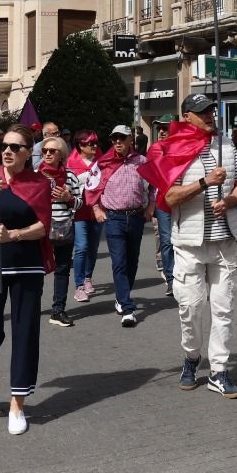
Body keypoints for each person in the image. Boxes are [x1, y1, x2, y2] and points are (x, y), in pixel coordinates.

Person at [144, 94, 237, 398]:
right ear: (187, 116)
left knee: (223, 308)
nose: (209, 116)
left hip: (225, 241)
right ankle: (191, 357)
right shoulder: (173, 148)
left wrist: (230, 201)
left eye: (211, 111)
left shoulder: (226, 144)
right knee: (190, 308)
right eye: (202, 112)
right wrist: (205, 182)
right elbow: (169, 198)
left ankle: (219, 370)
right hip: (189, 242)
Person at [0, 125, 54, 435]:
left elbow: (43, 227)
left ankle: (18, 403)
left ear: (28, 153)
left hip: (27, 265)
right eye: (4, 145)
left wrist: (14, 234)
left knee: (25, 332)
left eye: (15, 147)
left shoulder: (40, 183)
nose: (7, 151)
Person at [91, 124, 156, 326]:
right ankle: (128, 308)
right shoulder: (103, 163)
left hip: (136, 217)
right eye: (114, 138)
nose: (117, 141)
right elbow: (91, 187)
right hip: (114, 218)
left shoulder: (142, 161)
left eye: (122, 138)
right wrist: (96, 209)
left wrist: (151, 207)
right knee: (119, 262)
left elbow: (154, 186)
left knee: (132, 261)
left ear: (130, 140)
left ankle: (121, 296)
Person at [37, 137, 83, 327]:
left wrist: (68, 198)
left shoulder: (70, 176)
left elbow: (80, 203)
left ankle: (58, 310)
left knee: (62, 269)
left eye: (52, 151)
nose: (47, 154)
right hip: (39, 229)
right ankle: (32, 306)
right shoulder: (35, 175)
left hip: (63, 228)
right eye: (45, 150)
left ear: (61, 154)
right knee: (37, 269)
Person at [73, 131, 111, 304]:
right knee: (81, 247)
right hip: (79, 213)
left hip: (98, 211)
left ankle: (87, 277)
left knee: (93, 247)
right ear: (81, 146)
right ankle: (79, 285)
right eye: (90, 143)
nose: (95, 146)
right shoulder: (71, 163)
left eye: (96, 143)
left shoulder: (101, 162)